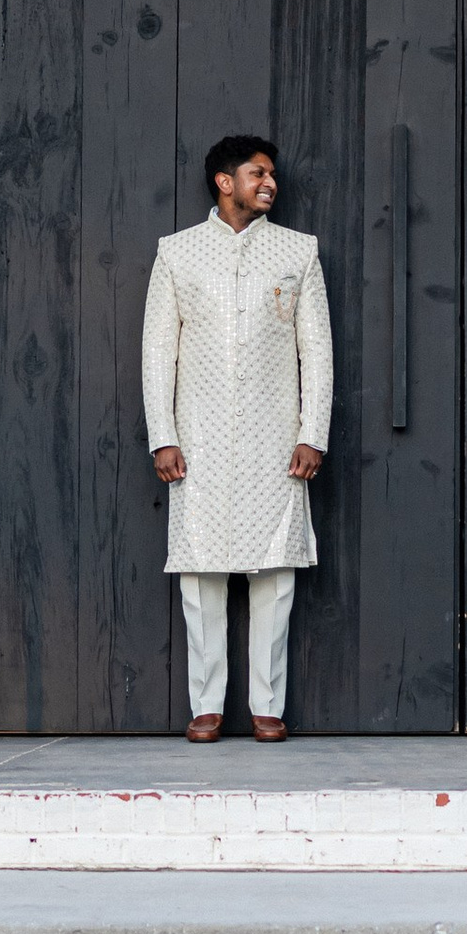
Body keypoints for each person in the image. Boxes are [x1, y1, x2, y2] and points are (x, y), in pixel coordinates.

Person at [143, 134, 333, 742]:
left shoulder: (297, 251)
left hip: (276, 438)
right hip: (197, 440)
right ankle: (206, 705)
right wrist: (163, 436)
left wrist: (313, 433)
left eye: (272, 174)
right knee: (200, 573)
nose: (270, 183)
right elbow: (158, 353)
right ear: (226, 182)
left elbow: (317, 352)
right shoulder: (177, 253)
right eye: (258, 173)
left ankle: (267, 706)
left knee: (275, 573)